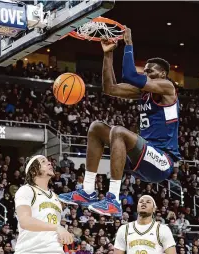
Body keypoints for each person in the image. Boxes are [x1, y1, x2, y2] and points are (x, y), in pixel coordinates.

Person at [59, 27, 181, 216]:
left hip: (163, 161)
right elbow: (110, 88)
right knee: (96, 128)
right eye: (145, 71)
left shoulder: (167, 87)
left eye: (151, 72)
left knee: (118, 131)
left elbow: (130, 76)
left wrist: (128, 44)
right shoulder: (144, 92)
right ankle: (88, 191)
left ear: (163, 74)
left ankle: (113, 200)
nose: (146, 74)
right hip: (143, 159)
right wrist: (108, 54)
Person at [14, 155, 73, 254]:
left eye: (48, 161)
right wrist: (57, 228)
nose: (49, 163)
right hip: (31, 251)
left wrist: (63, 236)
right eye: (43, 162)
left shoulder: (56, 197)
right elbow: (25, 221)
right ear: (33, 171)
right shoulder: (27, 190)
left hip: (56, 251)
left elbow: (51, 226)